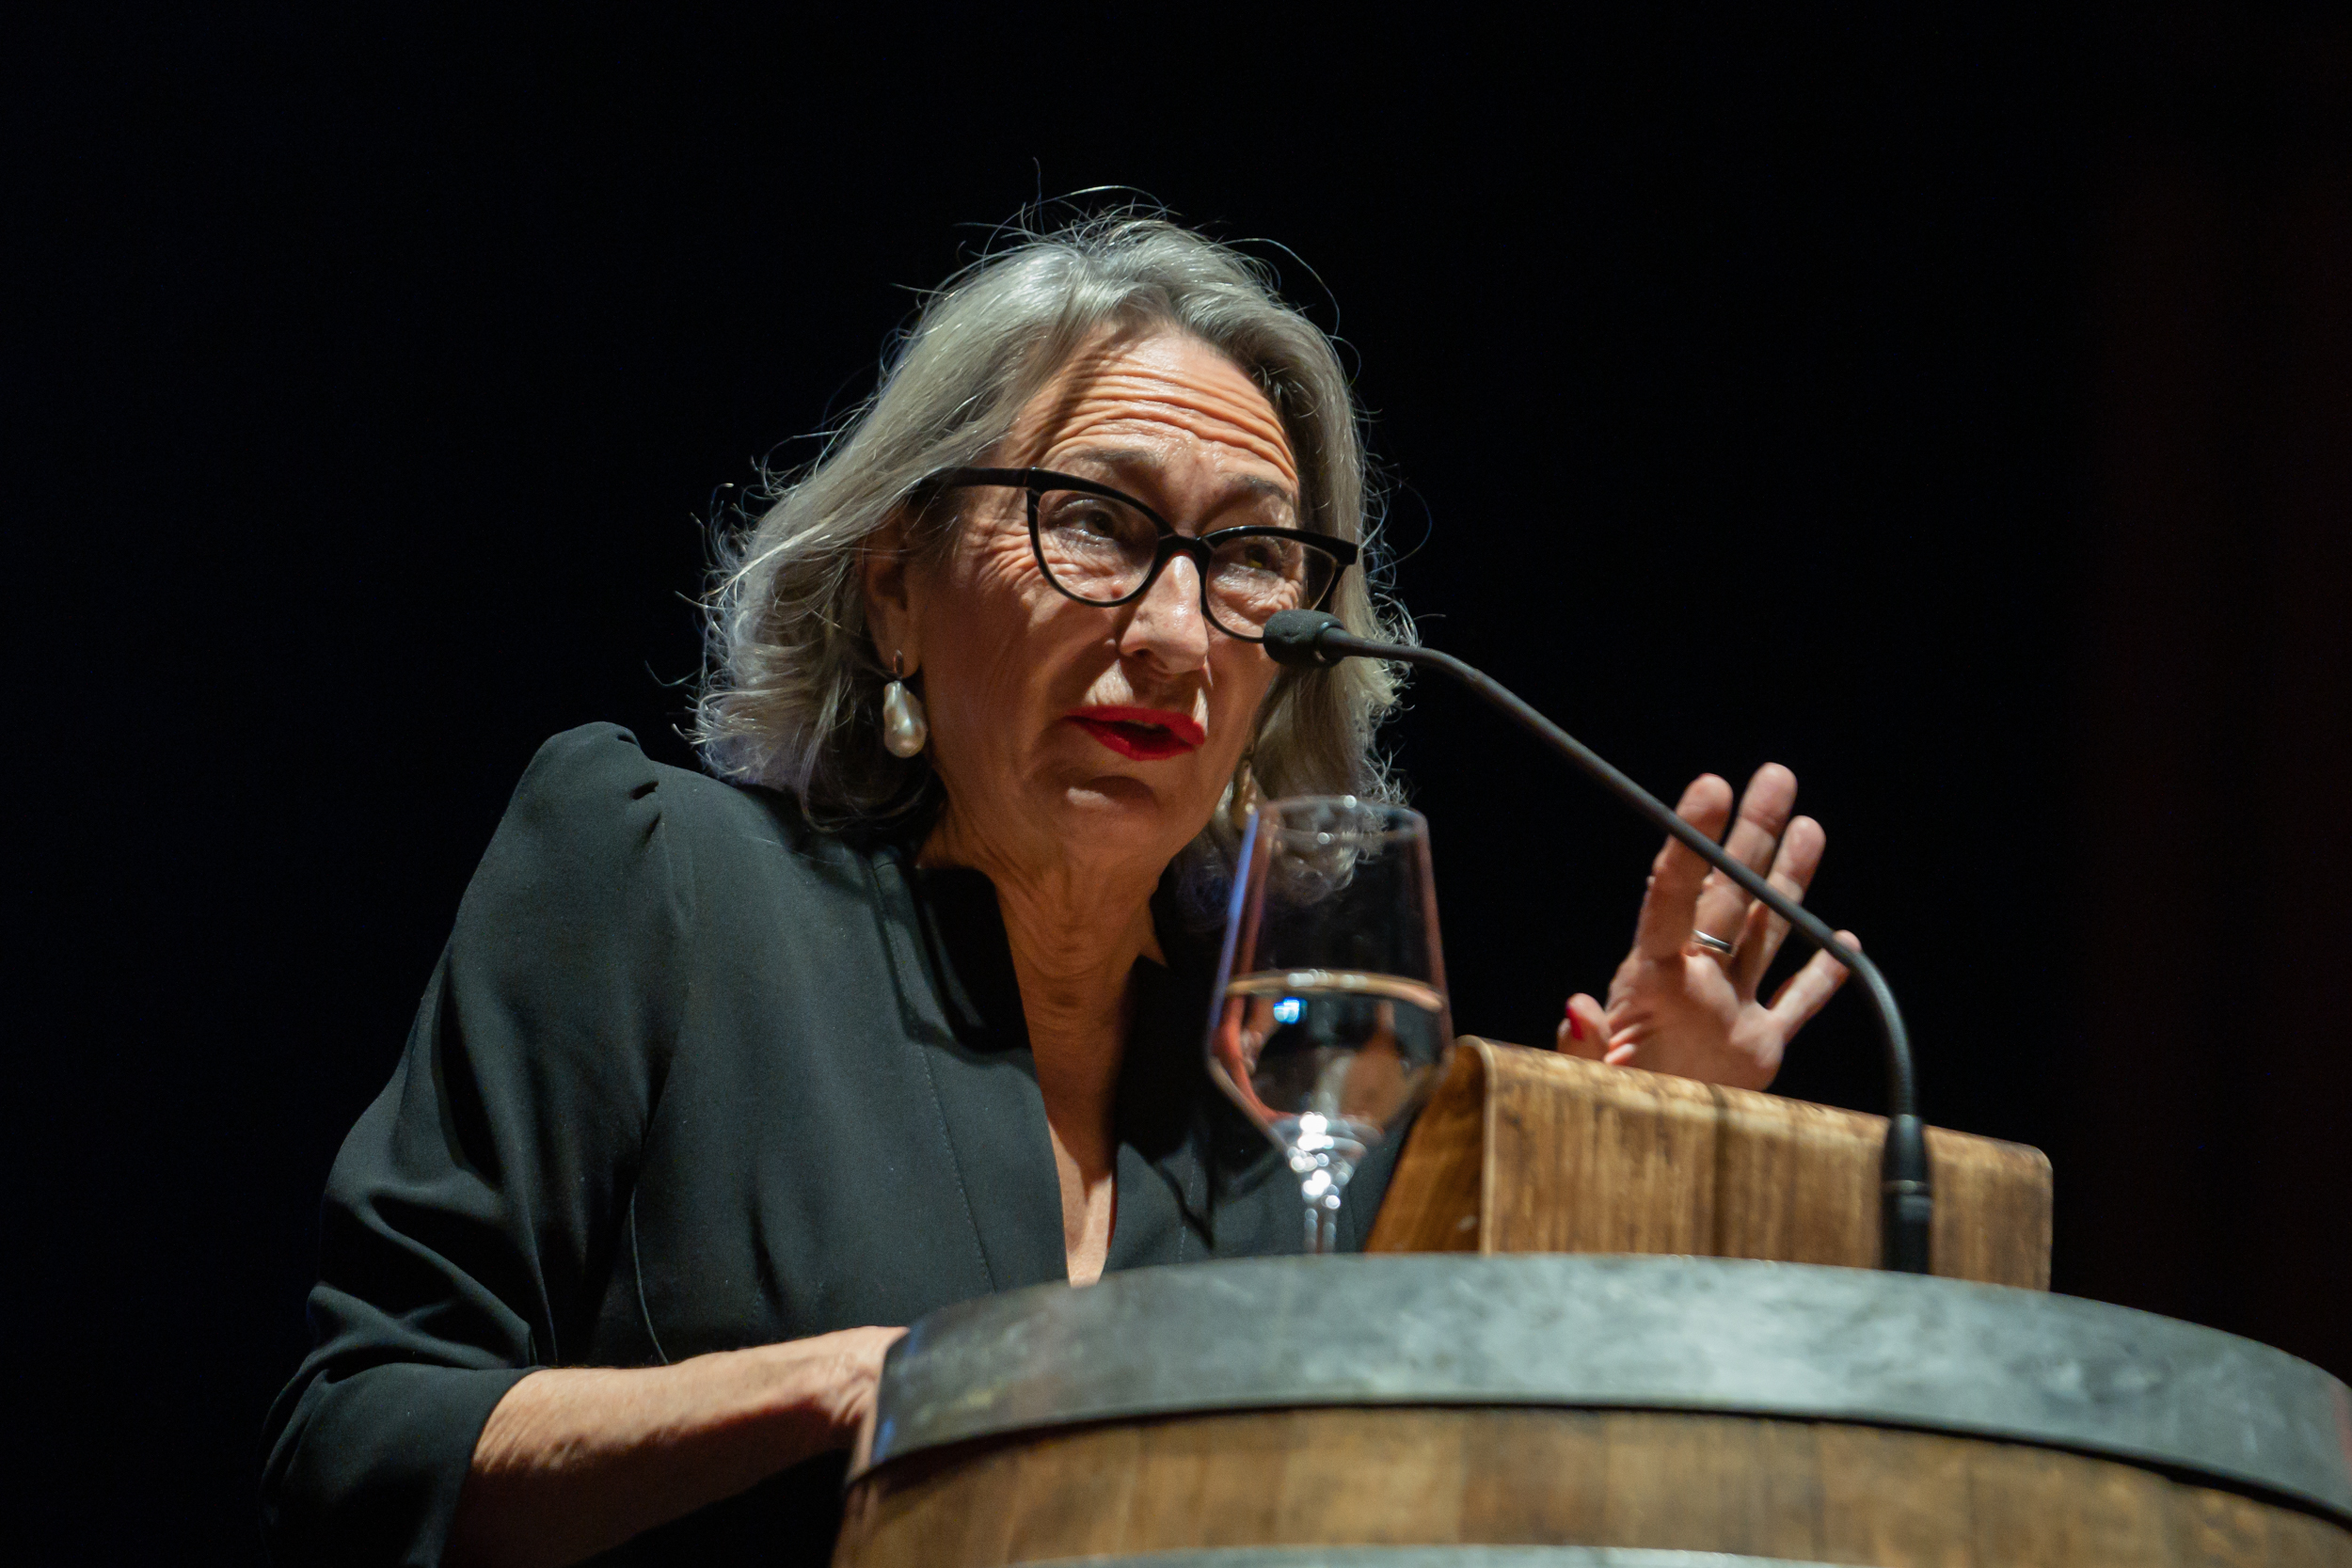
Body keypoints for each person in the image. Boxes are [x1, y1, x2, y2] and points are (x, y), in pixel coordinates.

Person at [260, 217, 1857, 1568]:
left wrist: (1642, 1145)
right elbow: (362, 1442)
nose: (1174, 634)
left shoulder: (1299, 1079)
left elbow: (1467, 1488)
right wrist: (863, 1388)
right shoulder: (658, 880)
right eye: (1092, 520)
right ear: (896, 585)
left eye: (1250, 559)